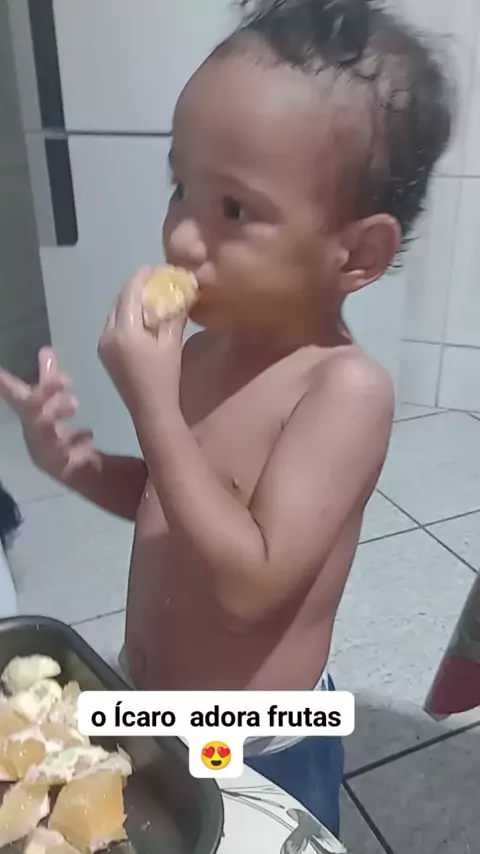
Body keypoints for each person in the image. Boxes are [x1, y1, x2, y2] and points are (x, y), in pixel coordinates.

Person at [0, 0, 452, 835]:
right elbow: (171, 500)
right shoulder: (206, 351)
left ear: (356, 254)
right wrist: (78, 466)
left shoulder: (343, 391)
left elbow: (252, 585)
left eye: (233, 210)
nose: (181, 237)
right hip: (149, 702)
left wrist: (151, 406)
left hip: (253, 743)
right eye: (182, 188)